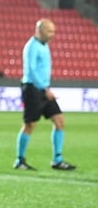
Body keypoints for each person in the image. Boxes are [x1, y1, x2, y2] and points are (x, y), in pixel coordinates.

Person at [14, 18, 76, 171]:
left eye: (53, 31)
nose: (52, 34)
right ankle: (20, 160)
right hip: (32, 89)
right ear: (39, 31)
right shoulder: (31, 47)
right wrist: (44, 88)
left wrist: (45, 87)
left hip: (43, 89)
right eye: (49, 31)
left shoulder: (44, 46)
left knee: (59, 121)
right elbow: (31, 71)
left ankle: (57, 159)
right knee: (29, 124)